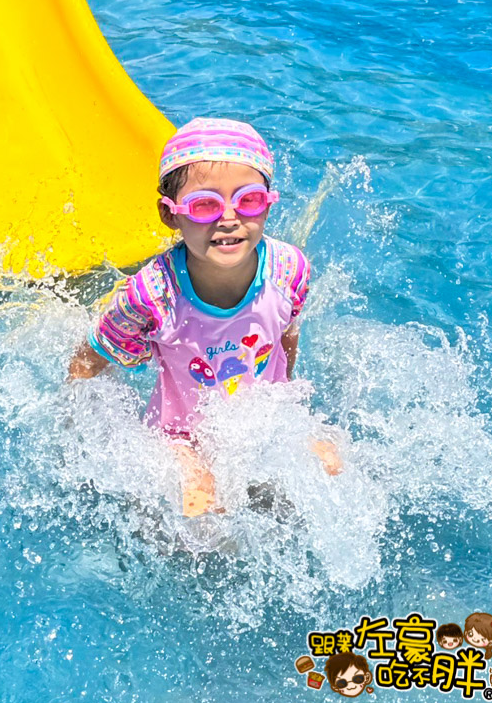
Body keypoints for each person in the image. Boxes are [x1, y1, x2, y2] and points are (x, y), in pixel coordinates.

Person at [69, 118, 343, 515]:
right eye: (205, 205)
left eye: (247, 200)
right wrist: (72, 421)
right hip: (179, 436)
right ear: (171, 215)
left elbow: (287, 334)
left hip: (260, 419)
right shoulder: (152, 296)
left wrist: (287, 398)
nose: (229, 218)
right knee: (203, 503)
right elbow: (90, 358)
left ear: (268, 203)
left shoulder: (289, 269)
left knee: (331, 465)